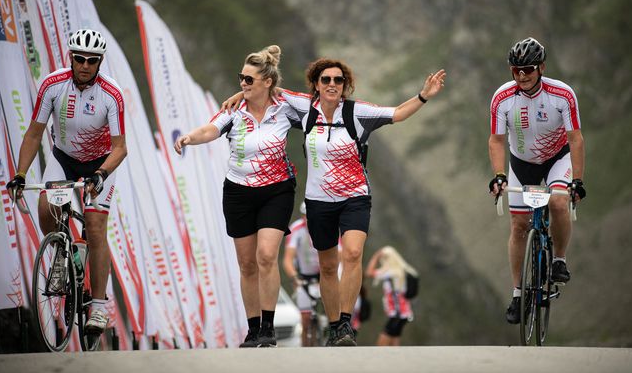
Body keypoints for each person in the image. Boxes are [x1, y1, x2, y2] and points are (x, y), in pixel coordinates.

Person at [277, 59, 445, 346]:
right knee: (328, 267)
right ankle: (333, 327)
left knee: (352, 254)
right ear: (316, 85)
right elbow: (268, 89)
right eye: (326, 80)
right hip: (318, 201)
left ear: (345, 85)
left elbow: (397, 113)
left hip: (354, 197)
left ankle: (344, 323)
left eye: (338, 80)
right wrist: (239, 95)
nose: (332, 84)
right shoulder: (305, 108)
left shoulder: (357, 112)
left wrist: (423, 96)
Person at [174, 45, 299, 347]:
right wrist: (189, 137)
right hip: (238, 192)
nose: (242, 84)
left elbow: (320, 104)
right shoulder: (234, 110)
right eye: (241, 79)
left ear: (267, 82)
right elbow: (211, 129)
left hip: (276, 191)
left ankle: (268, 328)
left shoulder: (285, 107)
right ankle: (253, 329)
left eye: (249, 80)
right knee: (247, 264)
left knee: (267, 255)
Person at [6, 29, 127, 335]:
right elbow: (34, 133)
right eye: (79, 58)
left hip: (99, 165)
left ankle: (99, 306)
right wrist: (20, 174)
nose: (85, 65)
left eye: (92, 60)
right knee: (45, 208)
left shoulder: (111, 95)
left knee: (96, 227)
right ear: (70, 57)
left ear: (99, 62)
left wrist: (100, 175)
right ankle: (63, 254)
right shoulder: (52, 85)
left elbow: (120, 148)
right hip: (63, 159)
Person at [488, 37, 586, 324]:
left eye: (528, 69)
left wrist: (576, 180)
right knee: (519, 226)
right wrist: (499, 176)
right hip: (522, 164)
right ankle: (518, 295)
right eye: (515, 70)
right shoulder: (502, 98)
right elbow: (495, 140)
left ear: (541, 67)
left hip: (558, 160)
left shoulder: (562, 94)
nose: (522, 75)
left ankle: (559, 259)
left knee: (557, 202)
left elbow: (576, 139)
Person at [282, 201, 325, 347]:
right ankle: (305, 346)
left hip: (325, 275)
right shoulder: (296, 229)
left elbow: (340, 255)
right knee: (305, 319)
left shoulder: (326, 225)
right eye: (305, 216)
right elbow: (287, 259)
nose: (308, 220)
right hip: (304, 277)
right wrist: (295, 278)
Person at [365, 246, 417, 346]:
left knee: (383, 340)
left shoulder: (391, 273)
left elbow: (369, 272)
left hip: (397, 314)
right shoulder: (401, 271)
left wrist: (376, 255)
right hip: (404, 313)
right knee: (395, 338)